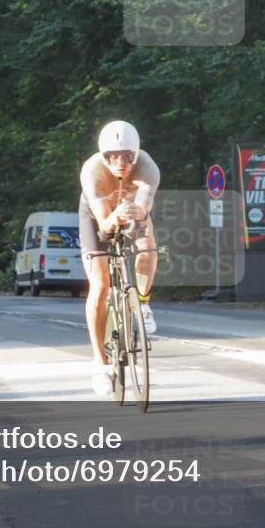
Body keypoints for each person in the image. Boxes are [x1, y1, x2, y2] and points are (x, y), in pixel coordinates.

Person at [79, 120, 160, 396]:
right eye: (112, 156)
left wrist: (138, 212)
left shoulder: (148, 167)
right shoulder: (92, 172)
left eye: (128, 156)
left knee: (148, 246)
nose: (121, 163)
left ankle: (143, 303)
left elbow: (145, 205)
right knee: (100, 286)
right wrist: (113, 217)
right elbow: (103, 224)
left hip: (130, 210)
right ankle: (100, 363)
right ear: (103, 155)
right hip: (98, 217)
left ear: (137, 154)